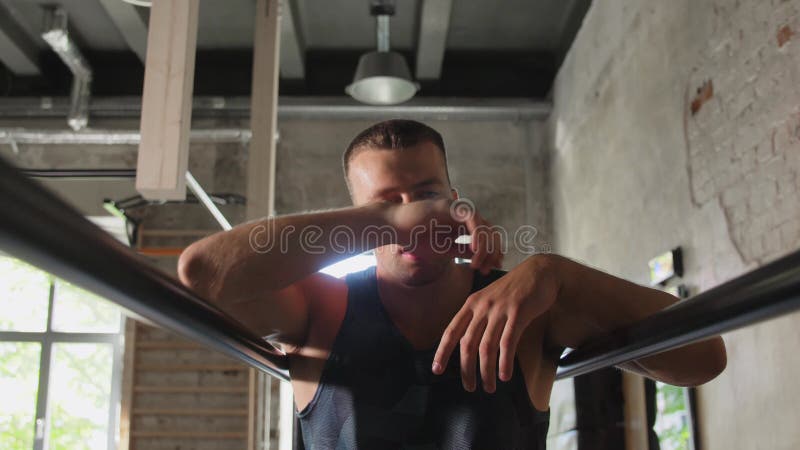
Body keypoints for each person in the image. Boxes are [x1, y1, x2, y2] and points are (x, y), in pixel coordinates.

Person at [178, 119, 727, 449]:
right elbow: (203, 276)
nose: (413, 213)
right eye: (384, 201)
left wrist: (557, 273)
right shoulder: (323, 308)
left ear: (455, 199)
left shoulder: (529, 304)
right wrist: (384, 223)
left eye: (425, 193)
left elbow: (704, 356)